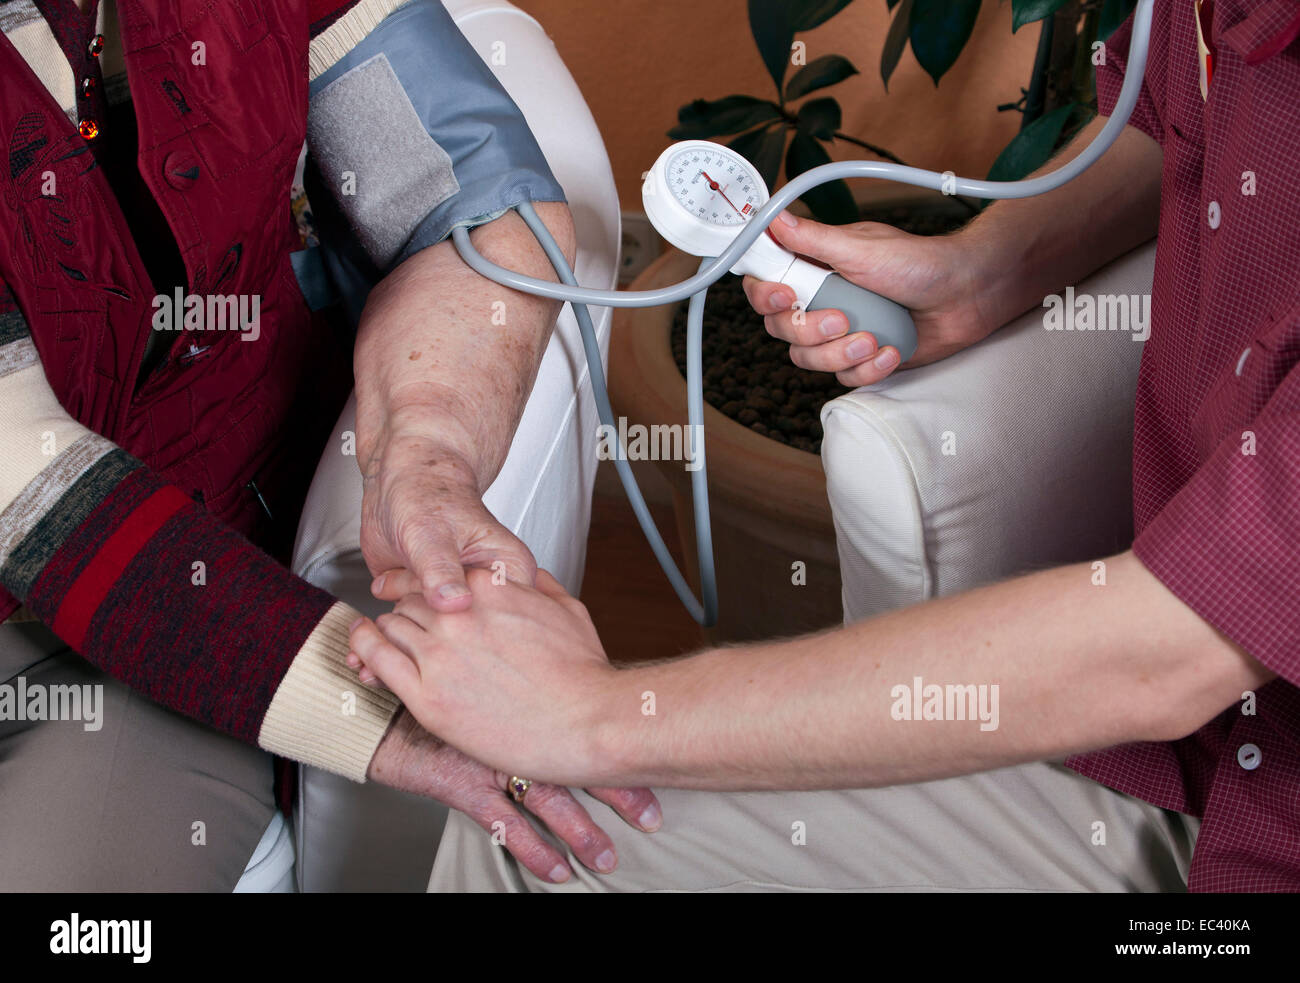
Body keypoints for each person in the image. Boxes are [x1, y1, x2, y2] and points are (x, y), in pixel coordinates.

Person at [351, 0, 1300, 892]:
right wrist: (988, 268)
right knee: (533, 830)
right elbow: (1178, 123)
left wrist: (597, 715)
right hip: (1196, 770)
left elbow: (1170, 647)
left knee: (552, 804)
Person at [0, 0, 657, 890]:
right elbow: (28, 490)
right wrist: (386, 715)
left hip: (164, 619)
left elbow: (468, 200)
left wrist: (423, 451)